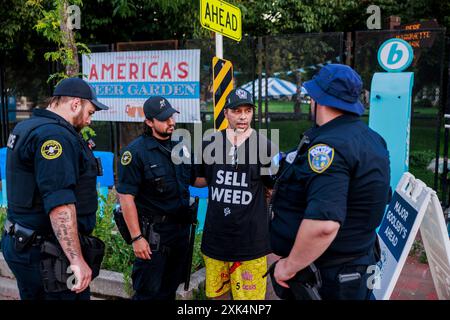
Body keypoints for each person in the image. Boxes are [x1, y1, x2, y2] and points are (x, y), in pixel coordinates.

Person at [270, 64, 391, 300]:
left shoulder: (329, 148)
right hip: (355, 266)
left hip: (330, 277)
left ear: (318, 99)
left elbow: (324, 225)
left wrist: (289, 266)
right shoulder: (373, 139)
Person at [1, 77, 109, 300]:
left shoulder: (27, 126)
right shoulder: (55, 136)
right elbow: (59, 204)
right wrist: (76, 260)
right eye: (90, 112)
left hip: (24, 242)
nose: (89, 120)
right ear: (76, 104)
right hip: (46, 253)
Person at [195, 88, 278, 300]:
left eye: (248, 110)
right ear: (226, 113)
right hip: (216, 240)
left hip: (251, 244)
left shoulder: (265, 147)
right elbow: (201, 179)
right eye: (237, 110)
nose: (242, 116)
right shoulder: (209, 144)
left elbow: (271, 188)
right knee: (217, 299)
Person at [117, 96, 195, 300]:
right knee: (148, 294)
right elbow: (125, 197)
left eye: (171, 116)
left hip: (179, 234)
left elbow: (197, 179)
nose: (171, 122)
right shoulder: (135, 153)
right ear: (149, 122)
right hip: (153, 239)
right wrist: (136, 238)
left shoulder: (181, 146)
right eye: (164, 119)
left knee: (169, 292)